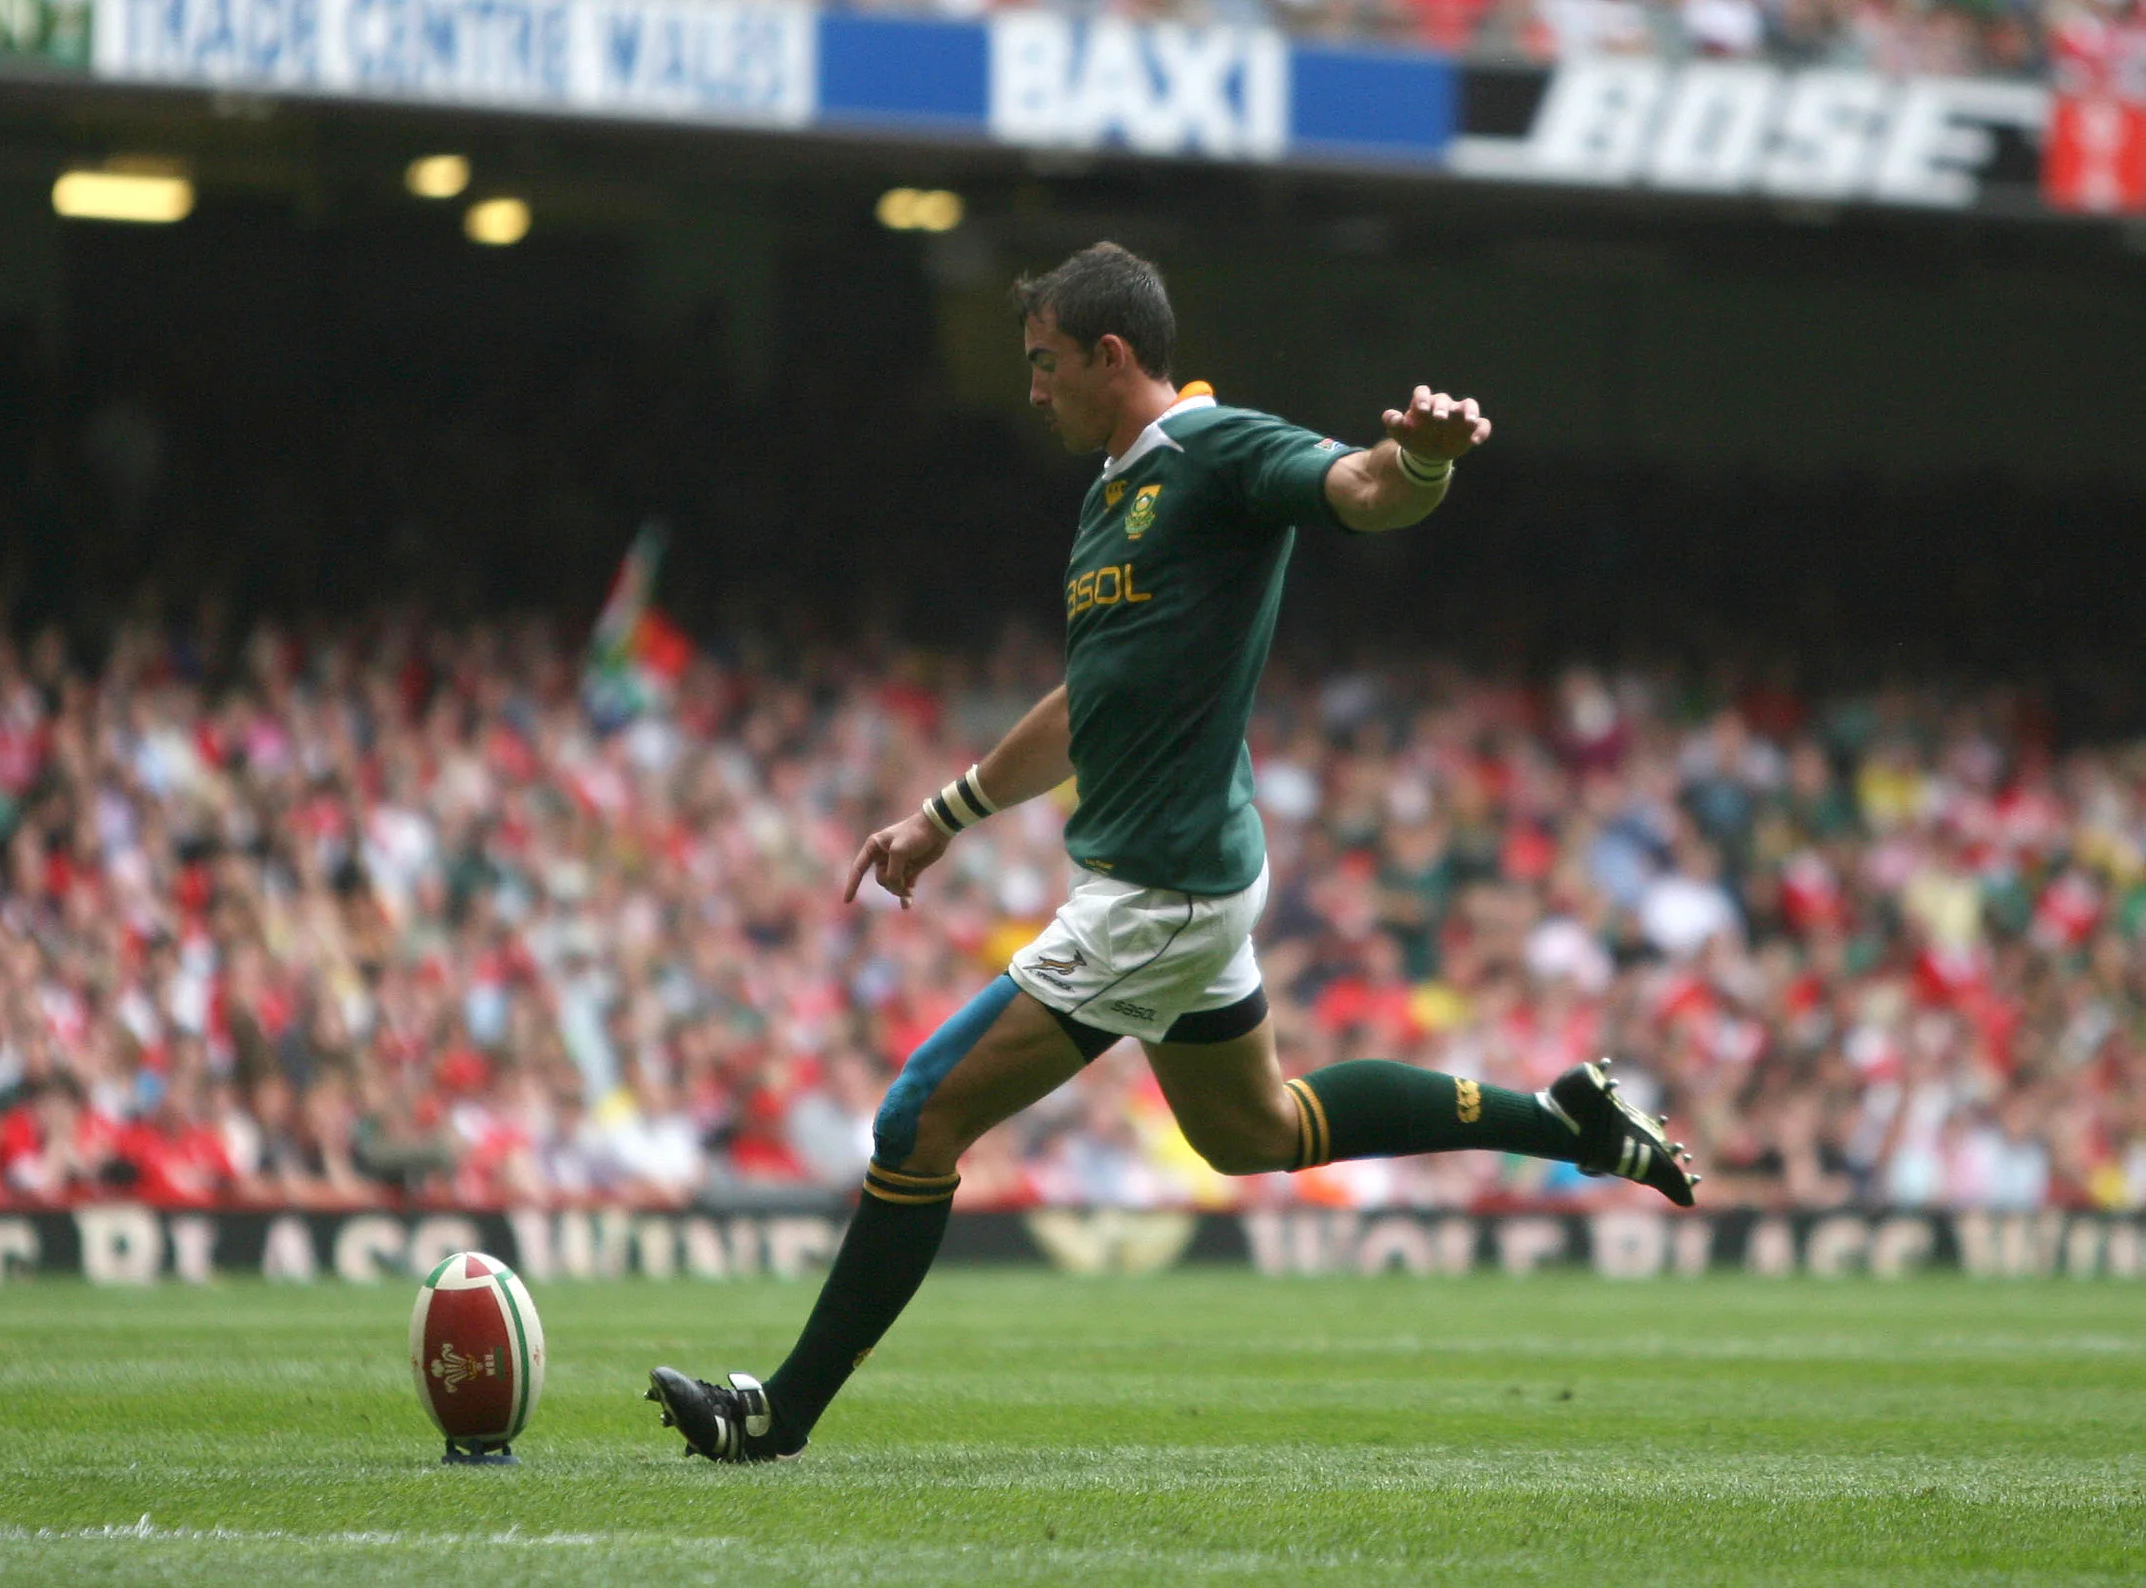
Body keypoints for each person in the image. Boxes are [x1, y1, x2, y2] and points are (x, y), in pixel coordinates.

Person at [647, 241, 1697, 1462]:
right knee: (1255, 1131)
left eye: (1043, 364)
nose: (1028, 389)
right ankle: (1565, 1121)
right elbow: (1090, 699)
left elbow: (1363, 490)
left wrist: (1419, 457)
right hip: (1182, 874)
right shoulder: (1108, 494)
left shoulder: (1223, 450)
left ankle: (775, 1414)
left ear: (1111, 355)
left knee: (916, 1121)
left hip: (1160, 891)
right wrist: (941, 816)